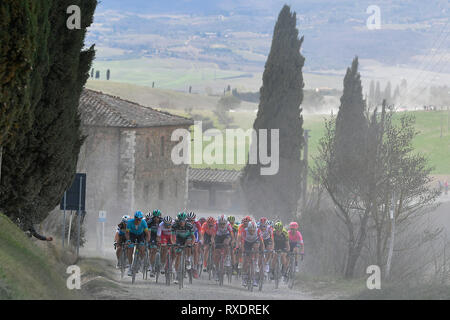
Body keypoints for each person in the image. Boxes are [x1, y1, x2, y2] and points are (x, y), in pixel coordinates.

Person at [171, 212, 195, 284]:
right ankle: (177, 275)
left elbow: (193, 237)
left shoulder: (189, 225)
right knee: (178, 255)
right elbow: (172, 237)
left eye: (183, 220)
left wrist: (192, 244)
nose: (182, 222)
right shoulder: (174, 226)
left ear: (185, 220)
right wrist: (174, 244)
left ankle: (188, 259)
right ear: (178, 221)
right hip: (179, 239)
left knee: (188, 243)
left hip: (188, 238)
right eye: (180, 221)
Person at [239, 220, 264, 287]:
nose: (252, 232)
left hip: (255, 241)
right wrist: (243, 251)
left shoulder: (258, 231)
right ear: (248, 229)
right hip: (247, 243)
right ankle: (244, 277)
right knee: (246, 261)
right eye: (251, 230)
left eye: (253, 230)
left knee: (256, 247)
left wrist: (262, 250)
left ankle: (256, 261)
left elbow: (262, 242)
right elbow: (242, 242)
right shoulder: (244, 231)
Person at [125, 211, 150, 276]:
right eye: (137, 219)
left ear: (141, 218)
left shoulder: (143, 222)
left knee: (142, 248)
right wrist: (128, 240)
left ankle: (141, 262)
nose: (139, 221)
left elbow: (147, 234)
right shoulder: (130, 222)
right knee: (130, 249)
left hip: (140, 235)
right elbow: (127, 233)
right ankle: (130, 267)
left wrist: (147, 242)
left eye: (140, 219)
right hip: (132, 235)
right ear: (135, 218)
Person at [212, 214, 234, 281]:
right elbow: (213, 235)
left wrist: (232, 241)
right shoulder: (216, 225)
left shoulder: (228, 225)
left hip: (226, 236)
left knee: (226, 243)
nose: (222, 225)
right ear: (218, 223)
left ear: (226, 222)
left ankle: (227, 257)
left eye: (223, 224)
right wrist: (212, 241)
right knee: (216, 253)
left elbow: (232, 235)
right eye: (220, 224)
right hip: (218, 236)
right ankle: (216, 269)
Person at [146, 210, 162, 277]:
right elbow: (148, 233)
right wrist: (148, 241)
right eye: (155, 217)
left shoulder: (162, 222)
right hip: (152, 235)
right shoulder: (150, 222)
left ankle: (161, 264)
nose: (156, 219)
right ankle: (151, 266)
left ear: (159, 217)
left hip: (161, 235)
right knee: (153, 250)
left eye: (157, 217)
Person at [187, 211, 202, 279]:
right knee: (187, 245)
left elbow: (200, 233)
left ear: (194, 219)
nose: (190, 221)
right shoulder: (185, 222)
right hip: (187, 234)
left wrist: (200, 240)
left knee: (196, 249)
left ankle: (195, 268)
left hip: (195, 235)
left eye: (192, 220)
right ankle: (188, 259)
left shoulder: (197, 223)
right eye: (189, 220)